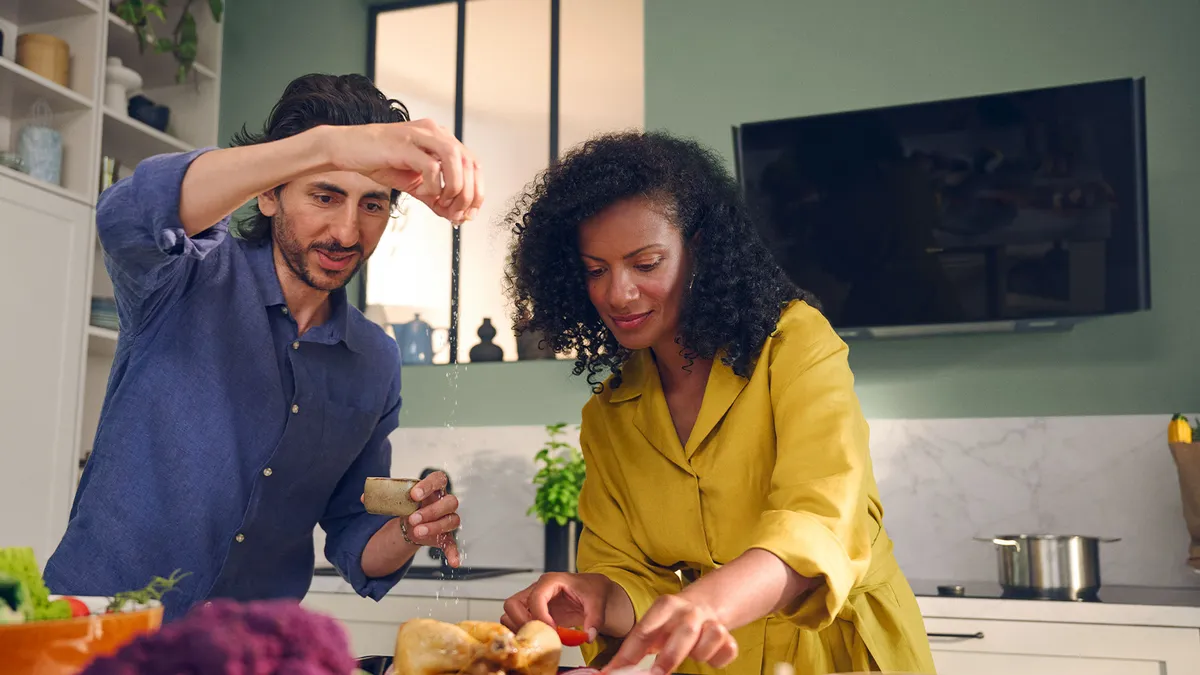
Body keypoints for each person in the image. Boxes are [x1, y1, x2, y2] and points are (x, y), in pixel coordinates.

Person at [44, 73, 483, 621]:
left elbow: (355, 526)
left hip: (247, 652)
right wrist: (326, 145)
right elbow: (127, 214)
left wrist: (408, 528)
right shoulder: (183, 277)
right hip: (98, 635)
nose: (347, 233)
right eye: (325, 195)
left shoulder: (375, 361)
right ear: (270, 193)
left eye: (372, 205)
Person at [498, 131, 936, 675]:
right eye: (596, 270)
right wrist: (591, 594)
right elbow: (628, 572)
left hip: (840, 653)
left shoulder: (793, 343)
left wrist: (706, 603)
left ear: (699, 248)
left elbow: (820, 520)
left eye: (646, 263)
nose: (618, 293)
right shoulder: (610, 414)